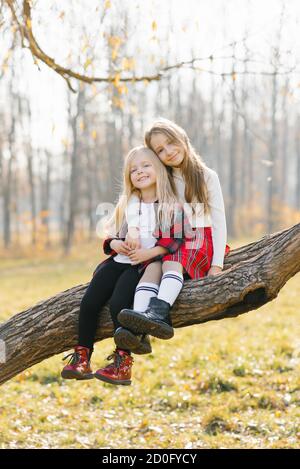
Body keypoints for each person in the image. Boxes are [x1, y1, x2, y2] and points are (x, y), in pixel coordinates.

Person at [61, 145, 186, 386]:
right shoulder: (128, 204)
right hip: (118, 261)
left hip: (140, 266)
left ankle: (122, 363)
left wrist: (148, 253)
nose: (139, 172)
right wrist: (116, 243)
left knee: (120, 304)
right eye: (133, 169)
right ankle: (82, 357)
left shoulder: (170, 205)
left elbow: (174, 240)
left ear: (159, 169)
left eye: (146, 166)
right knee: (89, 302)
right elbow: (110, 235)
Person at [117, 118, 231, 337]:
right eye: (160, 150)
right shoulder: (163, 178)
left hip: (198, 238)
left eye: (171, 142)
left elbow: (218, 222)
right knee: (154, 268)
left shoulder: (207, 176)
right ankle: (138, 322)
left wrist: (217, 265)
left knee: (172, 261)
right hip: (170, 241)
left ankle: (158, 312)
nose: (168, 151)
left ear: (182, 137)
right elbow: (136, 199)